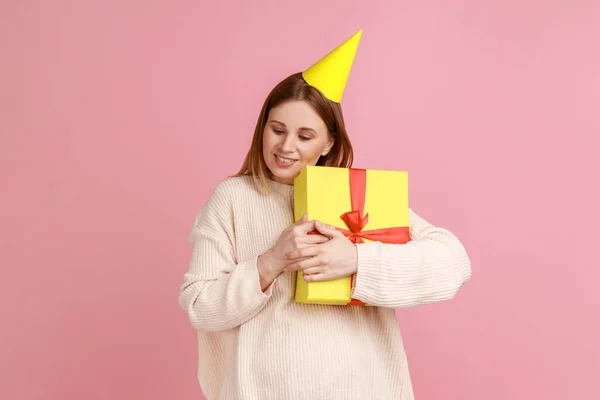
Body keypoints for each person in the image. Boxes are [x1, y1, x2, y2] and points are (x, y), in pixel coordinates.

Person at [178, 30, 471, 400]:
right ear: (262, 127)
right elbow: (200, 308)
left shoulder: (355, 197)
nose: (286, 147)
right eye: (277, 130)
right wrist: (270, 262)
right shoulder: (233, 198)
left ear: (328, 142)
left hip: (361, 389)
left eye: (304, 136)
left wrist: (357, 259)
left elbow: (454, 263)